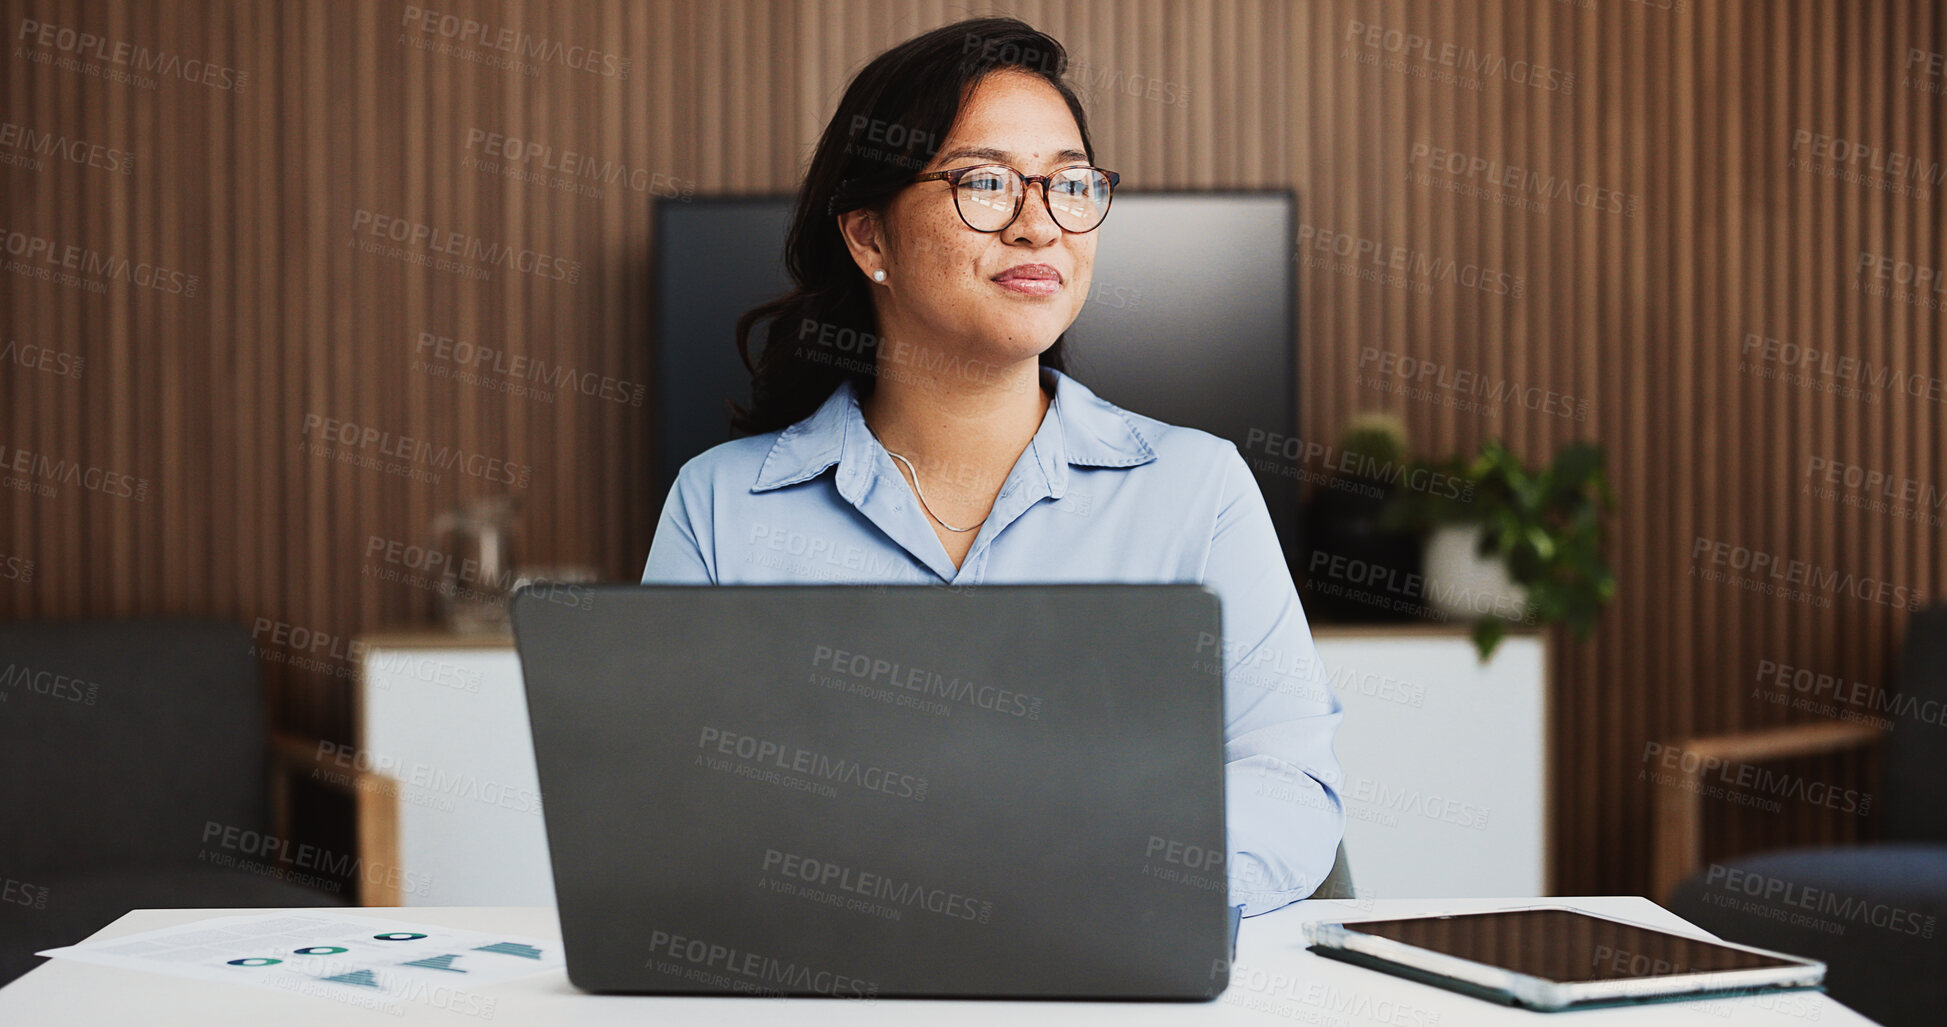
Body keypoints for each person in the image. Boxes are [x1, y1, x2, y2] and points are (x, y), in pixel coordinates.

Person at [642, 16, 1344, 916]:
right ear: (868, 239)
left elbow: (1287, 782)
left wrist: (1099, 882)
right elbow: (664, 803)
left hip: (1113, 960)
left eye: (1068, 184)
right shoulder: (722, 505)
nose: (1038, 224)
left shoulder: (1196, 488)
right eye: (985, 182)